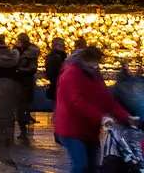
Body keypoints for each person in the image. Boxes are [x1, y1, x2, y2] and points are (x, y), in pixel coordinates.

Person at [53, 45, 134, 173]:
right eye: (94, 62)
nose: (96, 66)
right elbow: (77, 102)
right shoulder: (71, 73)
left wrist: (126, 117)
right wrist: (101, 117)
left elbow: (106, 99)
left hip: (90, 129)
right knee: (81, 165)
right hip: (71, 129)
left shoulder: (94, 74)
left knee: (92, 167)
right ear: (85, 59)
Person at [14, 33, 39, 145]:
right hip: (21, 83)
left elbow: (32, 68)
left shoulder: (29, 54)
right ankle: (23, 130)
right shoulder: (19, 51)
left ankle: (23, 130)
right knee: (21, 107)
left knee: (22, 108)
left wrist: (19, 70)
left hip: (25, 83)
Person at [45, 37, 68, 103]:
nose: (63, 47)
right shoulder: (55, 57)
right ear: (55, 45)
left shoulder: (60, 56)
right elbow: (52, 73)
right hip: (58, 85)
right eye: (61, 45)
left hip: (58, 85)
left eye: (63, 45)